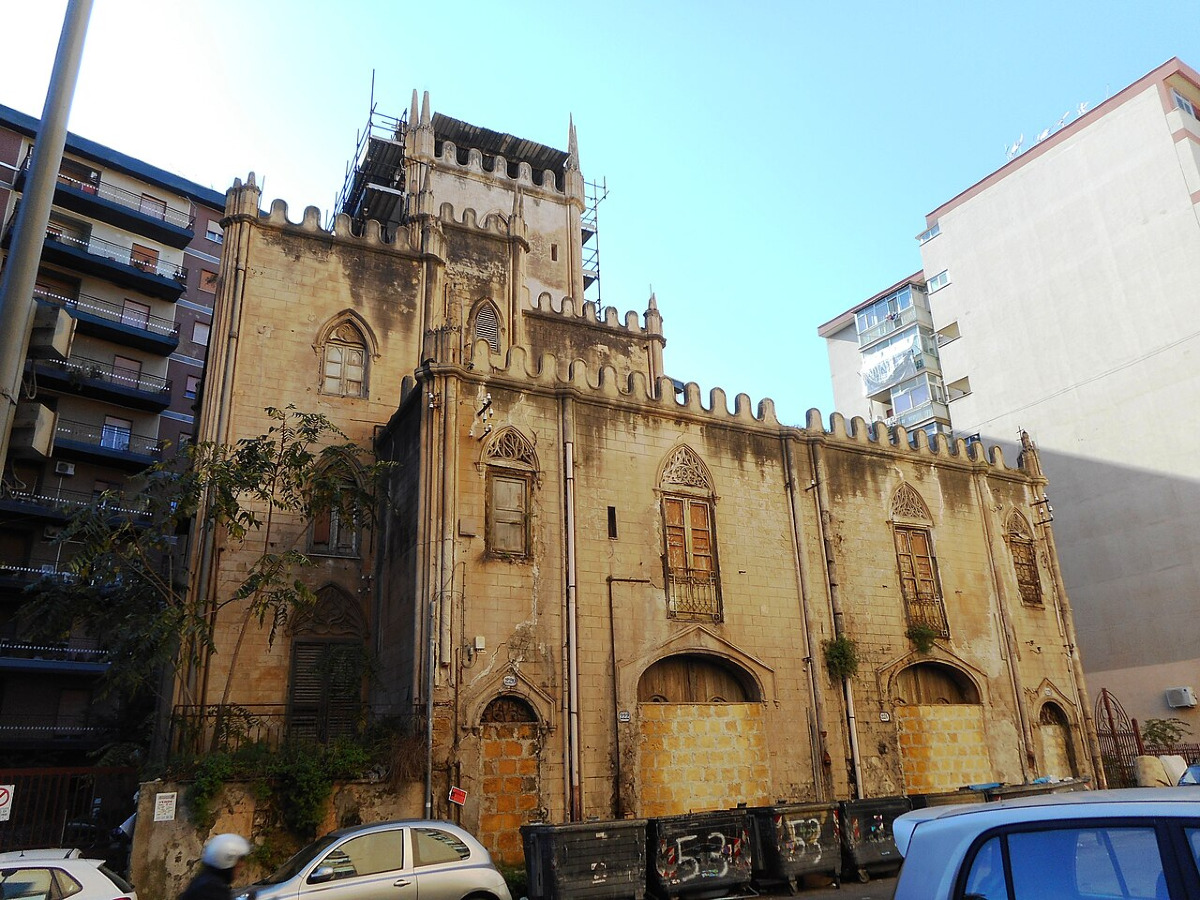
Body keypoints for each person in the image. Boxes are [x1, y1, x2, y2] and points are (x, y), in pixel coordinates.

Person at [180, 833, 251, 900]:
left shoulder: (205, 881)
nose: (242, 864)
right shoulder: (213, 890)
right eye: (239, 859)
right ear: (227, 860)